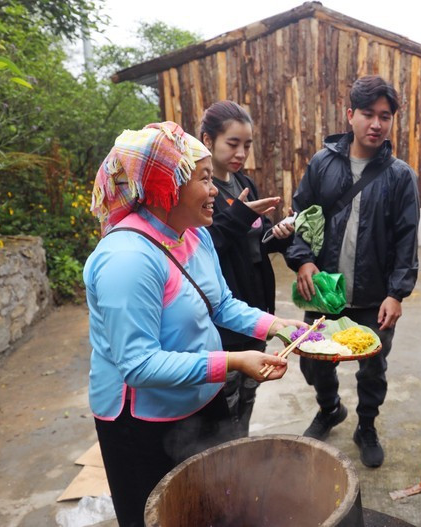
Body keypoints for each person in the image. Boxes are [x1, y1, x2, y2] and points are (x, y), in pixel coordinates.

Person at [84, 122, 304, 527]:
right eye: (204, 179)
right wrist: (234, 362)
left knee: (215, 505)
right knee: (159, 515)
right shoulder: (128, 259)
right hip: (145, 422)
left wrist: (279, 326)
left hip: (202, 397)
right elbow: (139, 366)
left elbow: (220, 304)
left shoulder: (193, 234)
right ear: (166, 184)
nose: (215, 190)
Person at [284, 75, 420, 468]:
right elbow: (302, 215)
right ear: (350, 115)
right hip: (324, 289)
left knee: (373, 367)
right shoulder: (322, 163)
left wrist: (397, 293)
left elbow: (406, 239)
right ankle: (330, 409)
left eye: (385, 116)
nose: (376, 124)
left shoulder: (400, 176)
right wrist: (303, 258)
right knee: (313, 359)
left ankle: (366, 425)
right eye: (367, 114)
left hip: (375, 295)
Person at [201, 101, 295, 437]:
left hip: (255, 308)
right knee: (225, 395)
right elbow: (203, 247)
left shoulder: (244, 183)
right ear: (207, 139)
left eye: (247, 145)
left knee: (250, 388)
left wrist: (278, 237)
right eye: (232, 143)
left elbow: (255, 245)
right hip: (225, 314)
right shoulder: (202, 191)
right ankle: (229, 454)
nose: (241, 152)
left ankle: (241, 444)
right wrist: (239, 214)